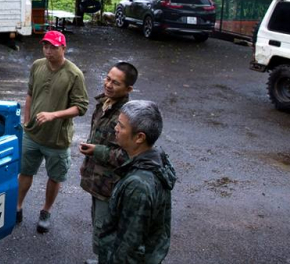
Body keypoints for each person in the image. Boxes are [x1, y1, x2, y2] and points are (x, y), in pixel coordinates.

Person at [17, 30, 89, 234]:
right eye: (45, 46)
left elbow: (81, 107)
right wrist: (27, 119)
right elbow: (30, 93)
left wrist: (54, 115)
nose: (48, 51)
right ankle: (18, 206)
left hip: (57, 139)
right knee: (25, 171)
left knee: (55, 177)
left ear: (63, 48)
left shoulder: (74, 73)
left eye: (54, 47)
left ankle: (46, 211)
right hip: (32, 134)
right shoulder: (37, 65)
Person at [97, 100, 176, 264]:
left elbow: (129, 247)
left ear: (140, 137)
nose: (116, 128)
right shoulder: (155, 161)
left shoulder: (138, 185)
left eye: (121, 126)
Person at [79, 62, 138, 263]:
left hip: (111, 188)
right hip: (97, 181)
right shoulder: (105, 104)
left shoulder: (128, 117)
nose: (109, 84)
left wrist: (98, 151)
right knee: (99, 227)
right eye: (108, 78)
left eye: (116, 83)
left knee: (106, 233)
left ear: (128, 89)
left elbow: (129, 156)